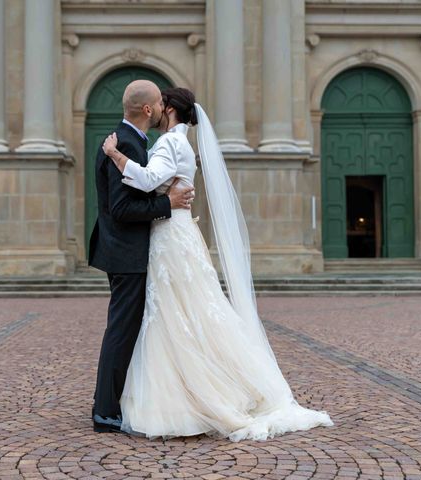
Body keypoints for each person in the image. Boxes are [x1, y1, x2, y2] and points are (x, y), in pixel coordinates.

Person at [101, 87, 334, 441]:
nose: (160, 108)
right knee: (181, 314)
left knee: (176, 314)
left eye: (164, 104)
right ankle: (183, 389)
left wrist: (115, 154)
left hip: (169, 235)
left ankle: (186, 394)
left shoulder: (170, 143)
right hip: (173, 232)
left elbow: (148, 180)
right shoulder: (177, 143)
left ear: (169, 110)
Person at [88, 80, 195, 433]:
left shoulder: (126, 141)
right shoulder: (127, 143)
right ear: (149, 110)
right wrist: (168, 203)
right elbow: (121, 207)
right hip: (127, 253)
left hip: (127, 250)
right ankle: (105, 410)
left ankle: (116, 402)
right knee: (121, 330)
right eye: (159, 103)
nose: (164, 108)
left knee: (129, 328)